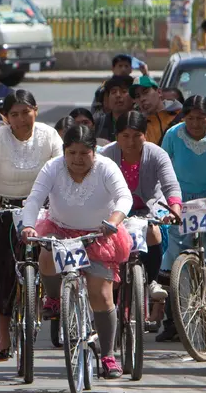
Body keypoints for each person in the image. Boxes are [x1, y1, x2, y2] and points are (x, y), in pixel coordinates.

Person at [20, 124, 133, 378]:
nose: (77, 159)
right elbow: (35, 199)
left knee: (101, 296)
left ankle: (108, 356)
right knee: (46, 254)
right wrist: (28, 226)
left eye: (84, 153)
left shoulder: (106, 168)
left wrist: (113, 222)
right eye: (71, 153)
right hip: (59, 231)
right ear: (64, 152)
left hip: (98, 235)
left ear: (94, 152)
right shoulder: (53, 167)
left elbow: (124, 197)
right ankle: (53, 298)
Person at [0, 90, 63, 360]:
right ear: (6, 117)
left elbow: (63, 168)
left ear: (36, 110)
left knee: (51, 259)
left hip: (39, 209)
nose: (21, 119)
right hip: (2, 211)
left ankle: (54, 300)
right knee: (3, 275)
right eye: (14, 114)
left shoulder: (49, 136)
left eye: (27, 112)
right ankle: (3, 338)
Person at [100, 111, 182, 330]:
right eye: (125, 136)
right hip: (115, 212)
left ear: (145, 136)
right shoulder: (106, 155)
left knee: (152, 232)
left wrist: (174, 208)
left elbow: (170, 185)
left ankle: (152, 281)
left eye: (137, 135)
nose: (131, 142)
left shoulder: (157, 154)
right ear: (117, 136)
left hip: (148, 210)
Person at [158, 96, 206, 342]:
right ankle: (172, 320)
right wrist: (169, 202)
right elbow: (163, 168)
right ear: (183, 117)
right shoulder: (173, 135)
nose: (195, 123)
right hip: (181, 201)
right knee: (176, 258)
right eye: (190, 118)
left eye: (201, 118)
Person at [129, 75, 183, 145]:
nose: (142, 99)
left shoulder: (183, 116)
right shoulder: (138, 127)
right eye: (137, 96)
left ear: (159, 92)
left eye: (145, 92)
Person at [94, 76, 135, 143]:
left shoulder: (143, 122)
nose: (118, 95)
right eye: (113, 92)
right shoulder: (98, 124)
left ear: (134, 98)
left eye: (124, 91)